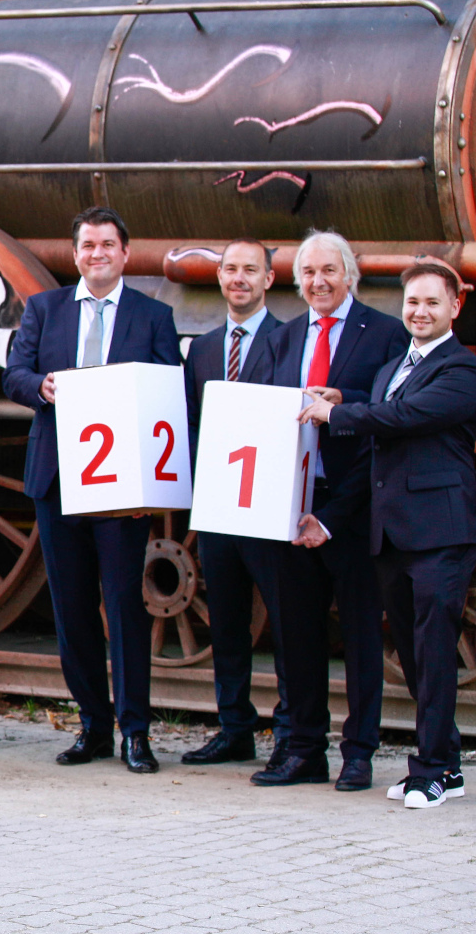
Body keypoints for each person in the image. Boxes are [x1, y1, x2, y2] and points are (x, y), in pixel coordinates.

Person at [2, 207, 181, 774]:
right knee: (72, 609)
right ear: (75, 254)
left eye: (108, 244)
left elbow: (165, 389)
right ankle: (93, 726)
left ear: (125, 254)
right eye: (88, 245)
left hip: (121, 482)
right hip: (57, 479)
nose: (97, 253)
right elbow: (14, 374)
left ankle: (135, 731)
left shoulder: (154, 315)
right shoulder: (44, 308)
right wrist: (41, 386)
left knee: (126, 607)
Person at [301, 263, 476, 809]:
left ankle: (429, 770)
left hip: (441, 534)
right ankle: (445, 765)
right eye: (412, 303)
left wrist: (338, 412)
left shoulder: (463, 370)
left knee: (432, 652)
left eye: (432, 303)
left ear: (455, 308)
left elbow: (405, 416)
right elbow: (385, 417)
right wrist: (352, 400)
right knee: (414, 653)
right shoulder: (388, 371)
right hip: (393, 535)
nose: (420, 312)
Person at [245, 230, 407, 790]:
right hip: (290, 510)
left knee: (362, 636)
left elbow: (387, 423)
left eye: (328, 271)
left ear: (350, 276)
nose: (318, 282)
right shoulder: (282, 339)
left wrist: (334, 515)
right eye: (308, 273)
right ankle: (303, 749)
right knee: (296, 637)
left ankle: (359, 752)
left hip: (354, 509)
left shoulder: (385, 334)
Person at [179, 239, 284, 766]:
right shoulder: (201, 348)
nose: (239, 278)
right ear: (219, 277)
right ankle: (234, 727)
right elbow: (192, 427)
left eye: (250, 269)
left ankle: (290, 731)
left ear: (269, 278)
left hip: (270, 501)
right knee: (226, 620)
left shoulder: (290, 341)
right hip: (220, 503)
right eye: (230, 269)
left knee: (288, 620)